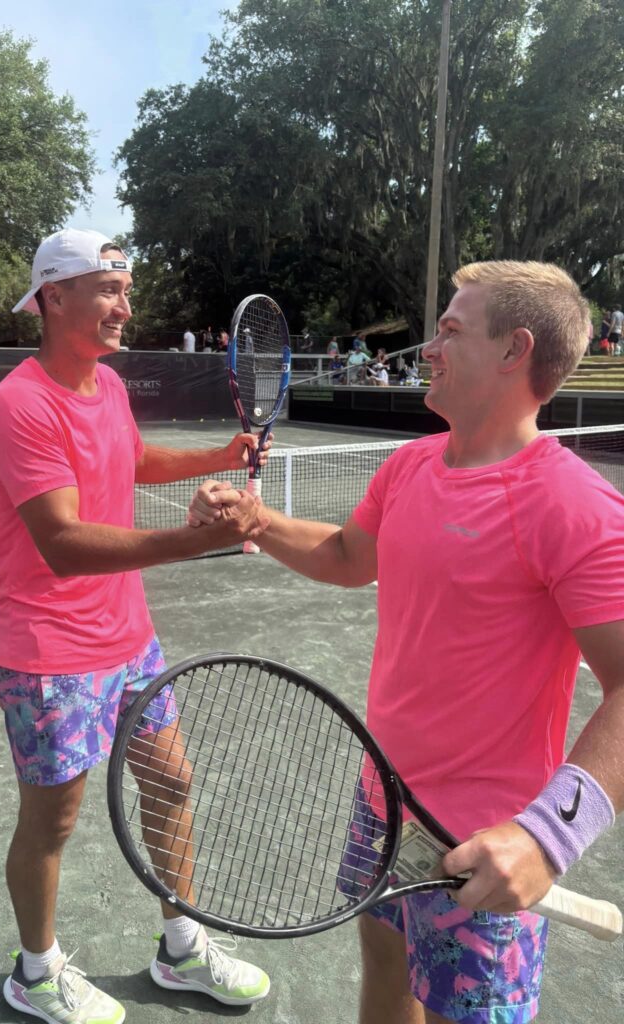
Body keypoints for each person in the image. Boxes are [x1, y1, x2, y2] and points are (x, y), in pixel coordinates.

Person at [189, 260, 624, 1024]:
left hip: (489, 838)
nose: (428, 346)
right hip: (382, 801)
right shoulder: (410, 466)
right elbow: (352, 558)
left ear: (514, 350)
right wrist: (257, 522)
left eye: (451, 331)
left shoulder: (573, 504)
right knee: (385, 973)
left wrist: (548, 837)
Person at [0, 228, 271, 1024]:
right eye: (109, 289)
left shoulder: (105, 386)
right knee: (54, 820)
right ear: (53, 297)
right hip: (50, 654)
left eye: (126, 290)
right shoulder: (20, 406)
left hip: (130, 641)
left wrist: (220, 453)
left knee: (171, 781)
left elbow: (132, 458)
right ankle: (35, 971)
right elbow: (63, 544)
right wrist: (193, 542)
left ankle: (181, 947)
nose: (125, 305)